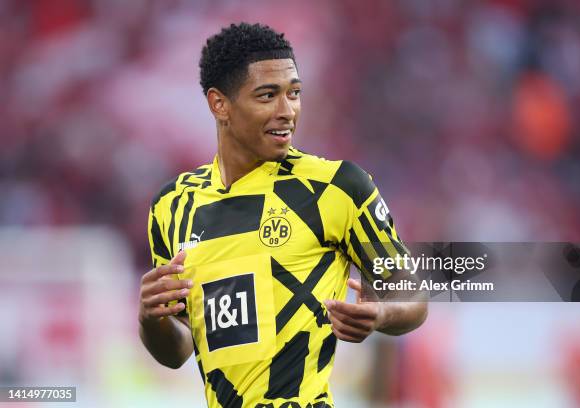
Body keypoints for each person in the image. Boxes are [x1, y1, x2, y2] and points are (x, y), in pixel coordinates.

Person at [138, 23, 427, 408]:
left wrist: (381, 315)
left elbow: (414, 298)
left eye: (294, 93)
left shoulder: (337, 187)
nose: (287, 111)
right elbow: (177, 351)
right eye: (267, 96)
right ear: (219, 104)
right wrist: (149, 318)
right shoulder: (172, 206)